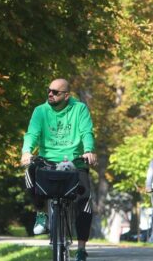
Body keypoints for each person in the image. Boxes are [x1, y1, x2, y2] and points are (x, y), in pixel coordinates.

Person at [21, 78, 97, 261]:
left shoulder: (79, 109)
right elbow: (32, 133)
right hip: (48, 162)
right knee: (30, 173)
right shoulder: (40, 111)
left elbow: (87, 132)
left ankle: (81, 248)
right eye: (49, 90)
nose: (50, 94)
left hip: (75, 163)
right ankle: (41, 213)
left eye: (55, 92)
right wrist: (26, 152)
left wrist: (88, 151)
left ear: (66, 95)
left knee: (84, 200)